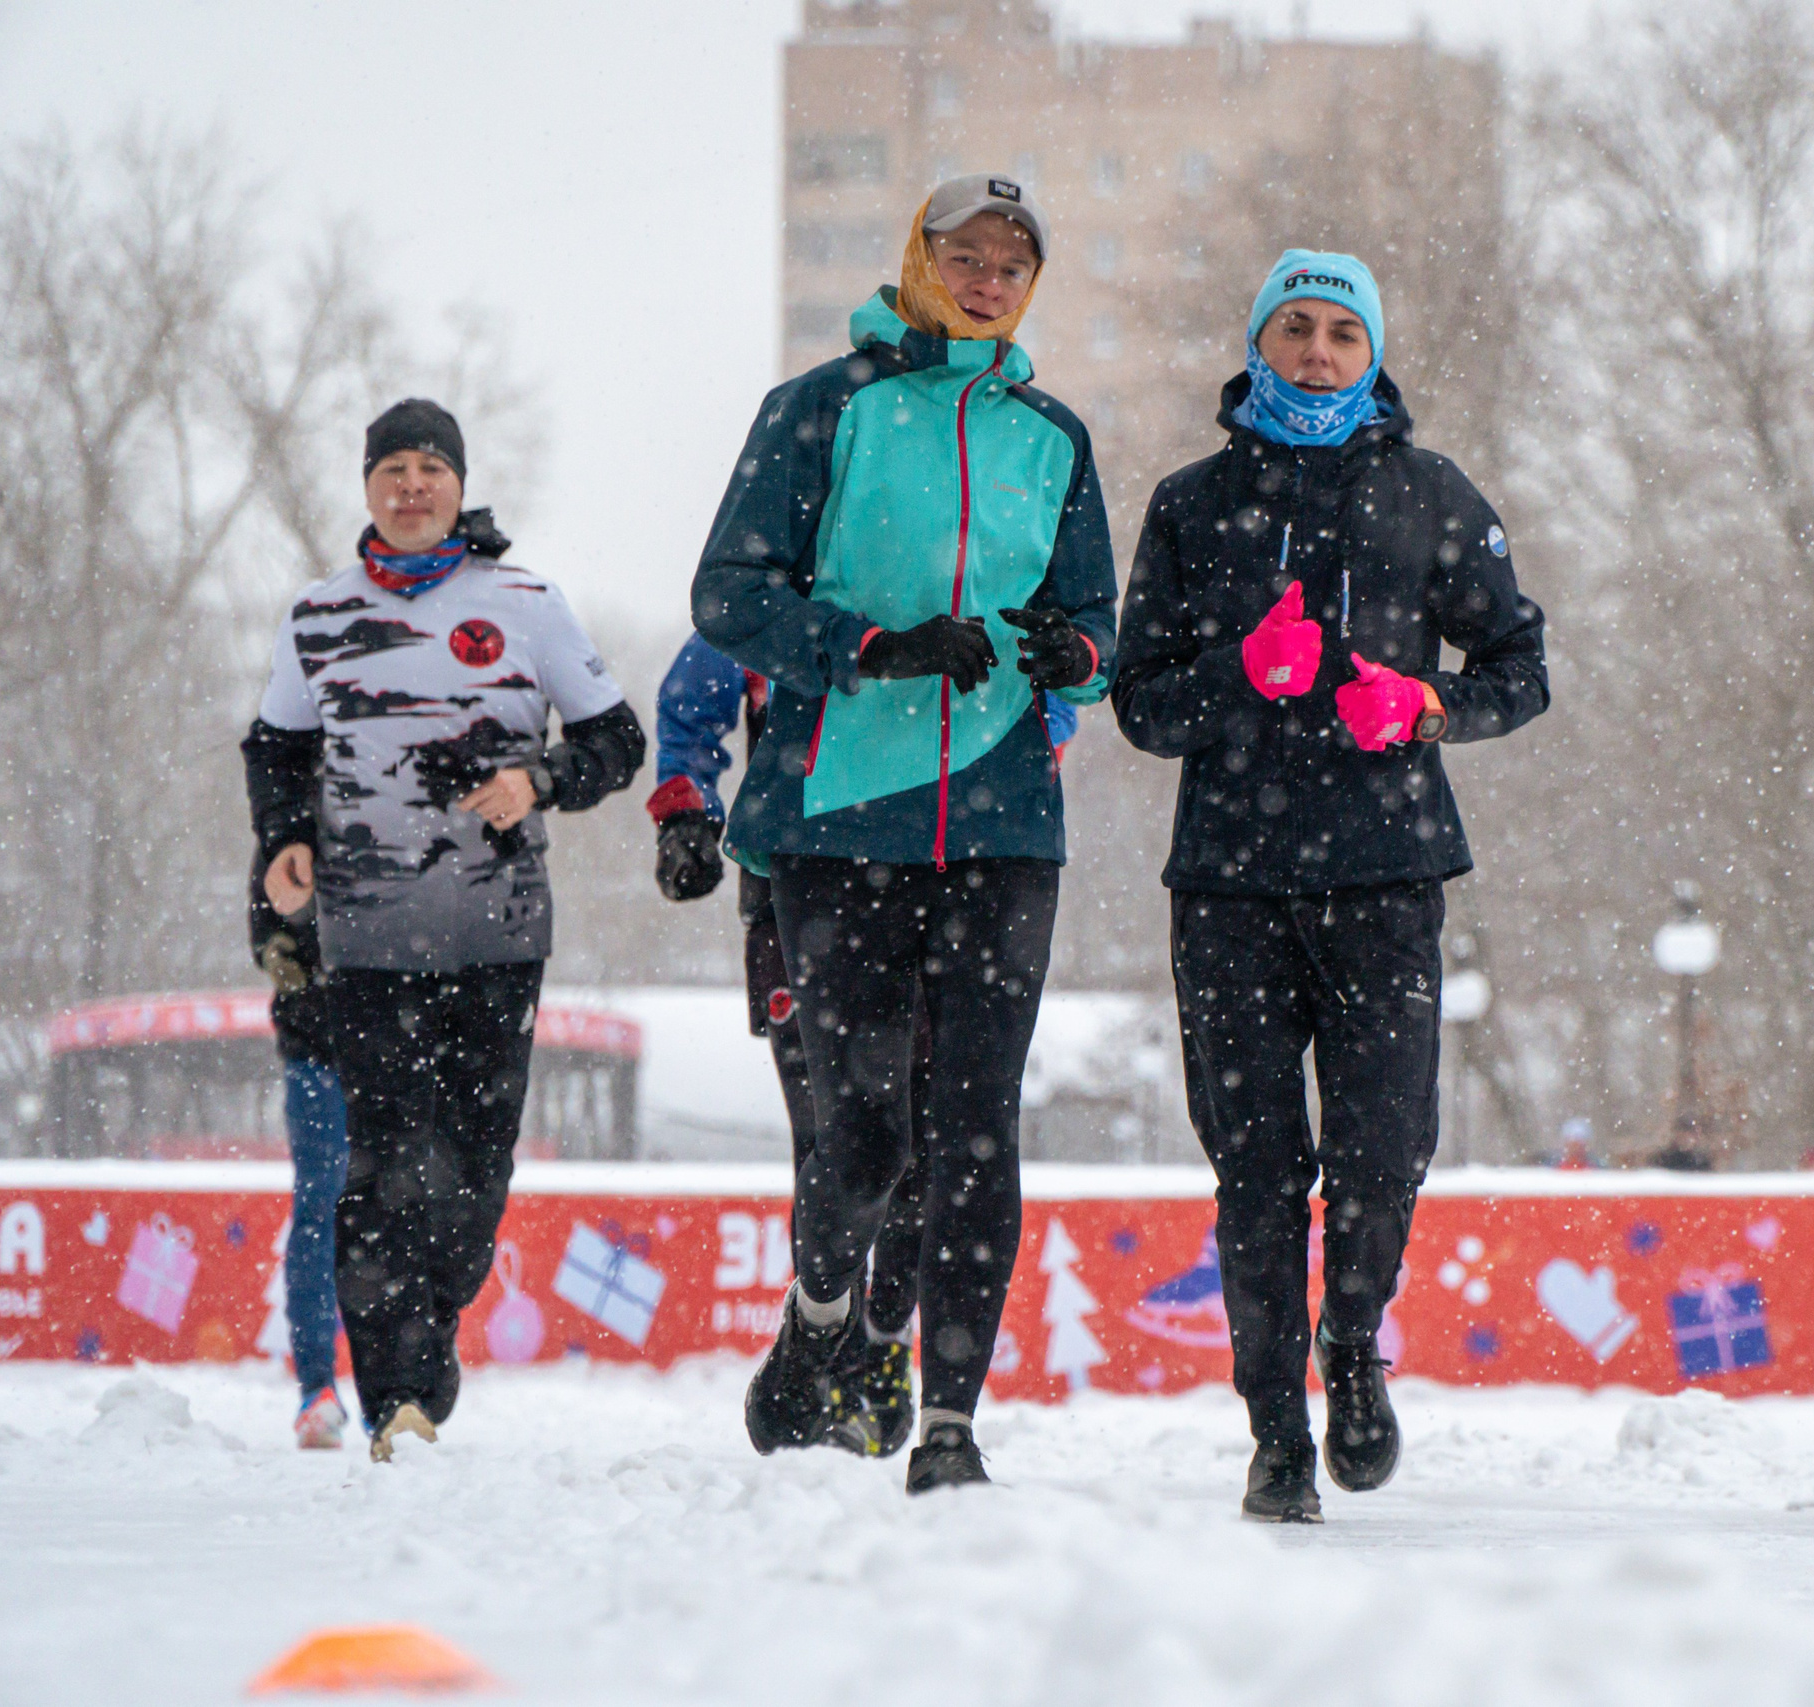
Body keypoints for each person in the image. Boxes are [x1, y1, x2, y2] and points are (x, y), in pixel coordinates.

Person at [692, 173, 1116, 1492]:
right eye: (964, 253)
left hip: (1001, 819)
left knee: (976, 1126)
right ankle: (823, 1313)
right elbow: (729, 594)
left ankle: (945, 1415)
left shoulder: (1054, 434)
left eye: (1012, 261)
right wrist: (864, 647)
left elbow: (1099, 628)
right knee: (865, 1126)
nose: (987, 277)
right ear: (917, 258)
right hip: (840, 814)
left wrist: (1075, 648)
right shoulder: (819, 409)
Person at [1113, 251, 1548, 1523]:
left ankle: (1351, 1347)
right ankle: (1273, 1436)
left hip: (1388, 873)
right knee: (1254, 1170)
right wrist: (1242, 671)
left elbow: (1520, 668)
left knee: (1385, 1148)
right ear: (1256, 346)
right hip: (1232, 886)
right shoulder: (1192, 505)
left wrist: (1427, 706)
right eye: (1293, 330)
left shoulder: (1433, 493)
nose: (1315, 353)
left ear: (1372, 356)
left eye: (1340, 335)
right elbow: (1139, 706)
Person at [241, 398, 645, 1461]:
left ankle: (433, 1334)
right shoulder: (317, 615)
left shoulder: (525, 603)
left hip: (497, 938)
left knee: (469, 1176)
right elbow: (275, 748)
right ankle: (398, 1403)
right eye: (393, 468)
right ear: (366, 487)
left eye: (430, 467)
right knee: (376, 1170)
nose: (411, 485)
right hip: (364, 943)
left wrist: (539, 777)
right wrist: (282, 837)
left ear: (459, 486)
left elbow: (616, 740)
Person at [247, 868, 351, 1449]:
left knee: (396, 1206)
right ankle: (319, 1388)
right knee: (320, 1208)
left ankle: (404, 1389)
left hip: (394, 1042)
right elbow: (266, 892)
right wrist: (272, 944)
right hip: (317, 1045)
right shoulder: (292, 795)